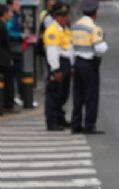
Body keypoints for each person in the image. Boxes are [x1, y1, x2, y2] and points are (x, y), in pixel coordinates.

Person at [71, 0, 108, 134]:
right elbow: (100, 49)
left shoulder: (75, 26)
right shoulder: (94, 28)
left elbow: (71, 47)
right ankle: (89, 125)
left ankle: (75, 124)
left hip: (77, 63)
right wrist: (103, 41)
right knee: (91, 96)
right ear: (95, 13)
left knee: (78, 96)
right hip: (89, 65)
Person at [43, 1, 72, 131]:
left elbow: (69, 49)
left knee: (62, 94)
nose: (65, 18)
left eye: (66, 15)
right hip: (57, 65)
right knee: (53, 94)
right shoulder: (53, 31)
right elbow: (52, 52)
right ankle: (52, 122)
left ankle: (60, 118)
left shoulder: (65, 29)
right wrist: (56, 70)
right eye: (62, 16)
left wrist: (71, 67)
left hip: (65, 64)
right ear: (55, 16)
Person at [6, 0, 25, 107]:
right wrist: (20, 35)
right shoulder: (11, 18)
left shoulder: (18, 16)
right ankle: (13, 98)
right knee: (13, 75)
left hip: (18, 49)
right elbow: (8, 31)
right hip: (13, 51)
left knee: (19, 75)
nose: (19, 6)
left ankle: (18, 96)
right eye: (16, 4)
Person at [0, 4, 14, 111]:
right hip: (4, 59)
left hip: (3, 58)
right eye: (9, 12)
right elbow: (5, 43)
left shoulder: (4, 24)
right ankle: (7, 104)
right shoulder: (2, 26)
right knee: (8, 81)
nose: (11, 14)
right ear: (4, 13)